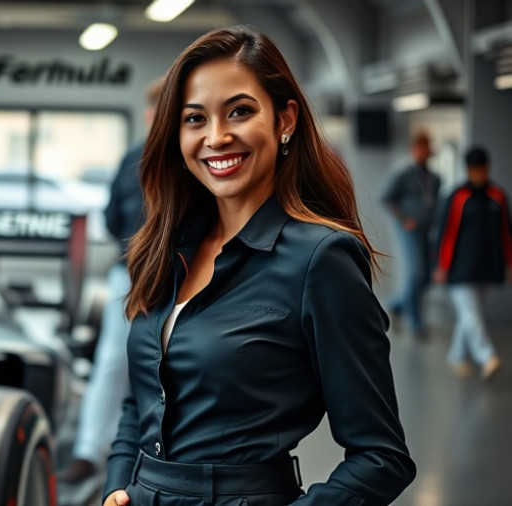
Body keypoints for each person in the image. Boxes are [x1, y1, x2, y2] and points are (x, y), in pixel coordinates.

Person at [103, 25, 415, 506]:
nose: (216, 137)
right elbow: (140, 399)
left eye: (240, 111)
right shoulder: (167, 247)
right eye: (195, 119)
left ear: (284, 120)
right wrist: (117, 486)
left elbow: (381, 457)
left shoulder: (321, 259)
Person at [57, 77, 163, 491]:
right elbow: (112, 217)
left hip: (182, 275)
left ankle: (161, 458)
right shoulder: (133, 159)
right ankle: (90, 452)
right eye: (153, 110)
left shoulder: (193, 160)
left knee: (173, 363)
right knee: (113, 363)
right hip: (131, 274)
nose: (156, 117)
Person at [433, 146, 511, 380]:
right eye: (474, 169)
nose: (478, 173)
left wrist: (509, 263)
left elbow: (506, 233)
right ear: (468, 170)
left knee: (470, 315)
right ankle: (488, 357)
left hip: (488, 266)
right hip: (460, 267)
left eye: (482, 168)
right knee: (471, 315)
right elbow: (446, 233)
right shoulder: (458, 197)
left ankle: (457, 356)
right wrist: (442, 266)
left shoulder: (498, 196)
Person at [381, 130, 441, 339]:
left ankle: (397, 305)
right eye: (420, 148)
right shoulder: (404, 174)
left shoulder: (434, 177)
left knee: (428, 275)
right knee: (416, 273)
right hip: (409, 230)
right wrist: (404, 219)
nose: (424, 152)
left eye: (427, 147)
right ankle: (416, 323)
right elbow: (386, 198)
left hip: (428, 230)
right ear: (414, 149)